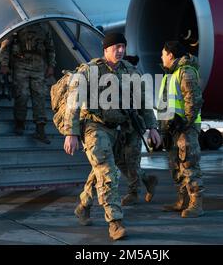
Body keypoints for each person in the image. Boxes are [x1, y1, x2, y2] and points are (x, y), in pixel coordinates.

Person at [62, 33, 161, 240]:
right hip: (94, 127)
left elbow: (144, 101)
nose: (121, 50)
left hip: (118, 130)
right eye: (116, 46)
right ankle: (115, 221)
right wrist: (71, 132)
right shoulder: (89, 70)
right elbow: (73, 102)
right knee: (108, 172)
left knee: (98, 171)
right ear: (105, 49)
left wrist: (152, 127)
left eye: (123, 46)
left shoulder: (130, 71)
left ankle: (83, 205)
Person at [158, 41, 204, 218]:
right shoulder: (170, 74)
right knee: (176, 166)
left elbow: (193, 100)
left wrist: (183, 122)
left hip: (186, 128)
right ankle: (183, 200)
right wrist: (163, 129)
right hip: (172, 129)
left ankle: (196, 204)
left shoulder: (185, 72)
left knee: (189, 165)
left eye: (163, 53)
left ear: (170, 55)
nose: (161, 57)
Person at [0, 22, 56, 143]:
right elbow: (5, 45)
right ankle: (20, 123)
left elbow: (50, 47)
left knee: (39, 96)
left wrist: (51, 66)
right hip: (20, 63)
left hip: (38, 65)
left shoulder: (44, 26)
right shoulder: (17, 22)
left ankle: (40, 130)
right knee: (21, 95)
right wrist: (4, 64)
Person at [115, 54, 159, 206]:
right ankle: (147, 179)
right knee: (119, 160)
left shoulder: (135, 77)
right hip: (118, 125)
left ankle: (133, 193)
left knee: (132, 161)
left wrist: (152, 126)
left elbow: (145, 104)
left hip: (133, 126)